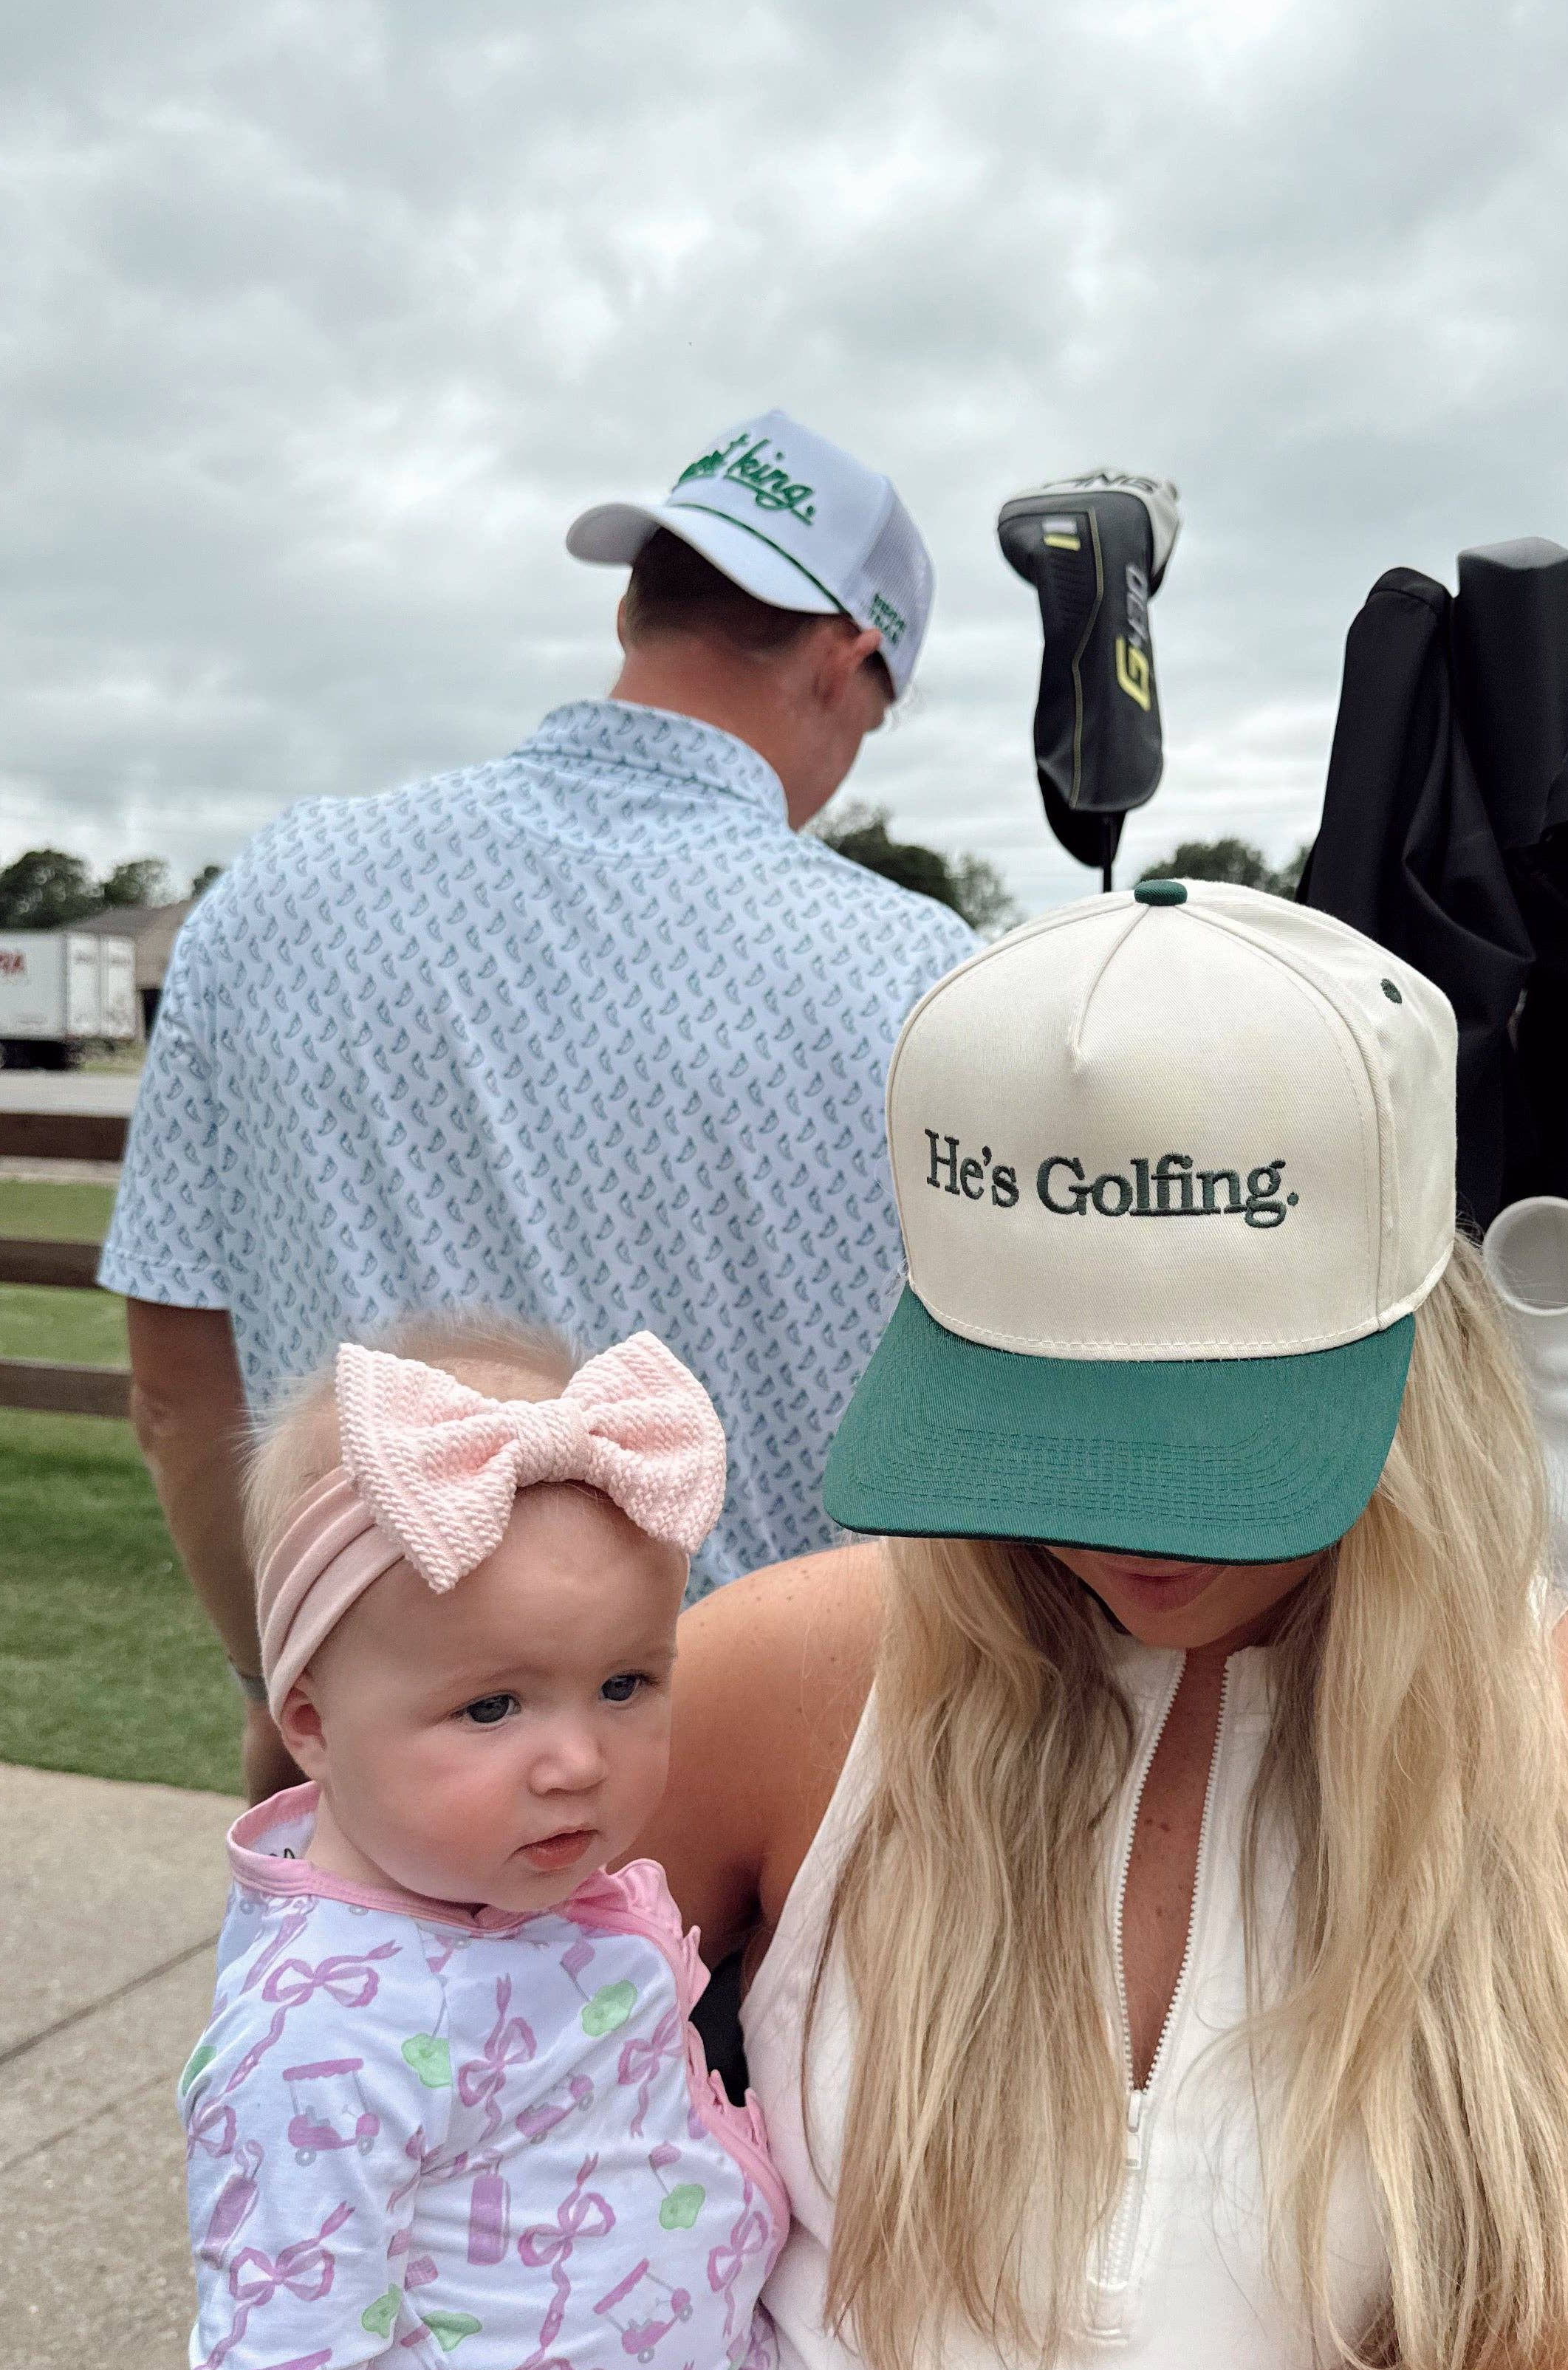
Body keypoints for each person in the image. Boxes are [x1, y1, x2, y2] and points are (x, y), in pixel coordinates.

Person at [341, 883, 1568, 2370]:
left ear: (1416, 1332)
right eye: (1037, 1417)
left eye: (1212, 1429)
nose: (1120, 1530)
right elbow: (352, 2092)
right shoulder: (796, 1676)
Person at [100, 408, 979, 1799]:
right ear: (848, 657)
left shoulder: (274, 898)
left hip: (387, 1820)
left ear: (635, 605)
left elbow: (174, 1388)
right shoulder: (927, 983)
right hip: (789, 1817)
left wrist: (291, 1682)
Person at [160, 1316, 847, 2370]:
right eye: (490, 1703)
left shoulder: (512, 1894)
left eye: (626, 1683)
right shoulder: (323, 2041)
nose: (577, 1758)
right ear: (310, 1720)